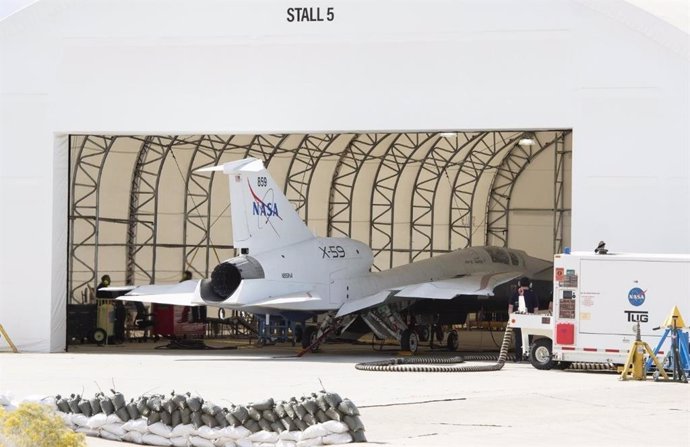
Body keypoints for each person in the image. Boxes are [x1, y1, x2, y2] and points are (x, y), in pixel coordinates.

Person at [508, 276, 539, 362]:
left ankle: (518, 358)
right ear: (530, 284)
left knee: (518, 339)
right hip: (530, 320)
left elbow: (510, 308)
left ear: (519, 284)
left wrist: (511, 318)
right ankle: (527, 357)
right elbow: (536, 310)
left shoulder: (514, 293)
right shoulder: (533, 294)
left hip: (517, 320)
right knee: (528, 339)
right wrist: (535, 320)